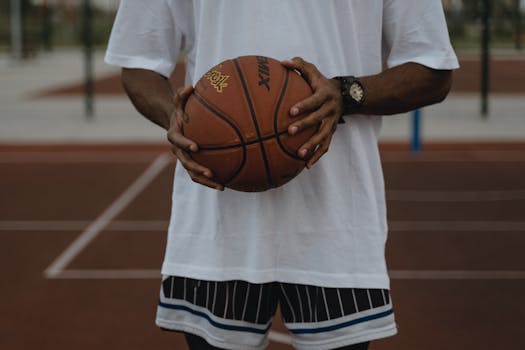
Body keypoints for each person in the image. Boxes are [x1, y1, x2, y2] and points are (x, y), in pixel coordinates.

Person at [105, 1, 458, 349]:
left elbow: (432, 68)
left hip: (337, 226)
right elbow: (138, 61)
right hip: (217, 225)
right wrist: (177, 118)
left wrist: (345, 93)